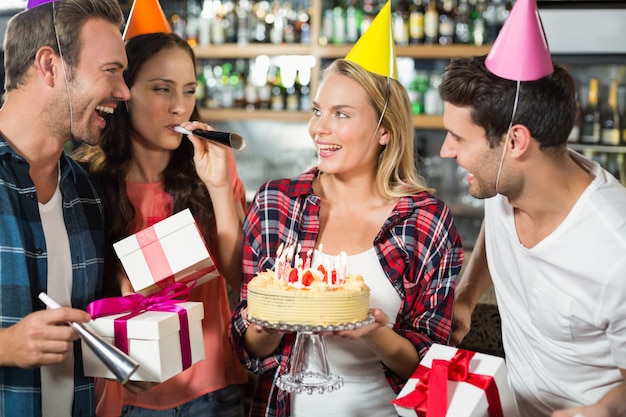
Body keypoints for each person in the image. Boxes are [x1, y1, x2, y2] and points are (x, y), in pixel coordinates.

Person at [229, 2, 463, 416]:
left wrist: (374, 333)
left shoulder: (426, 222)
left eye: (341, 114)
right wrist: (265, 328)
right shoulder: (275, 204)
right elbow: (248, 351)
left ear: (385, 130)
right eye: (318, 111)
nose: (320, 128)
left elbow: (432, 364)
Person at [439, 1, 626, 416]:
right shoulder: (508, 184)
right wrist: (467, 296)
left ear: (515, 142)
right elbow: (497, 226)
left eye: (457, 138)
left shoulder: (616, 250)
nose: (445, 151)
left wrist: (603, 410)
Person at [72, 30, 249, 417]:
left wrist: (219, 186)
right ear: (124, 92)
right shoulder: (85, 179)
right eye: (161, 89)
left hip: (213, 388)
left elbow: (239, 276)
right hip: (129, 394)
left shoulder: (213, 165)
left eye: (188, 90)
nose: (179, 108)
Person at [0, 0, 130, 415]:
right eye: (111, 71)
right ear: (50, 66)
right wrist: (4, 347)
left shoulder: (87, 193)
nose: (124, 92)